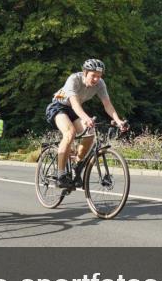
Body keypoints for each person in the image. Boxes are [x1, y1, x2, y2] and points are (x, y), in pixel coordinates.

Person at [45, 58, 128, 189]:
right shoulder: (74, 79)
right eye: (93, 75)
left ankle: (76, 166)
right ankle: (60, 175)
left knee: (90, 134)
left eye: (99, 76)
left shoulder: (100, 84)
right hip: (58, 107)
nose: (96, 79)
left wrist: (118, 121)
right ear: (85, 73)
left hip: (74, 110)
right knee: (70, 133)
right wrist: (85, 117)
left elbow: (107, 104)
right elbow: (74, 103)